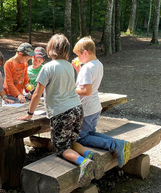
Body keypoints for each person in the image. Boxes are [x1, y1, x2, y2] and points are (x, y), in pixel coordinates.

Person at [18, 34, 95, 179]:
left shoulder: (47, 67)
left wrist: (29, 113)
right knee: (71, 142)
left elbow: (36, 94)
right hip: (77, 109)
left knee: (61, 149)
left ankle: (84, 162)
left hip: (62, 112)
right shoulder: (68, 66)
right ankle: (90, 154)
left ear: (50, 48)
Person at [72, 37, 130, 168]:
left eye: (79, 55)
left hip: (86, 108)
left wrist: (70, 90)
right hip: (95, 107)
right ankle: (119, 142)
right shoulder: (98, 64)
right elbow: (89, 81)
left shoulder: (87, 68)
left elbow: (86, 90)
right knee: (90, 133)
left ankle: (113, 145)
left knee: (81, 138)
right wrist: (78, 70)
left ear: (86, 52)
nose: (78, 58)